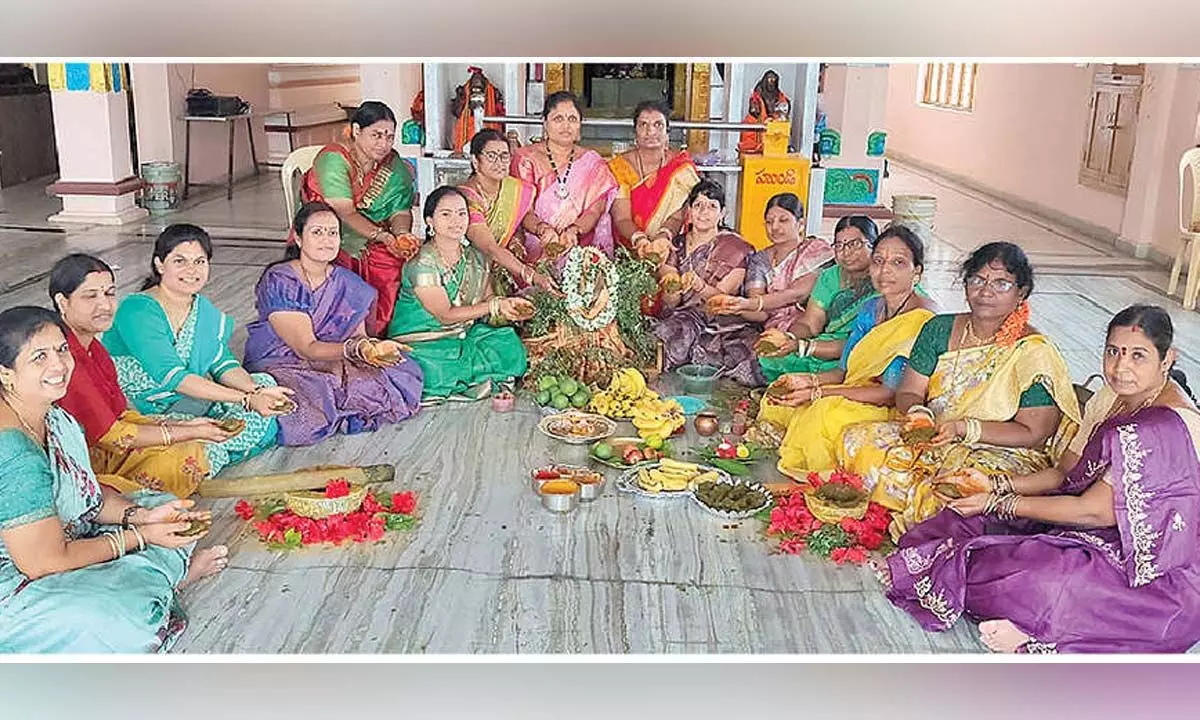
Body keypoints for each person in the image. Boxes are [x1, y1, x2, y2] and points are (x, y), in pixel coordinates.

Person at [882, 305, 1200, 654]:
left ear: (1167, 359)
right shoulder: (1111, 397)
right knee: (970, 525)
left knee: (1049, 579)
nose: (1121, 367)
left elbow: (1095, 512)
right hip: (1087, 525)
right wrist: (994, 485)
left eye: (1138, 355)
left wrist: (999, 501)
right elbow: (1063, 473)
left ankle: (1041, 629)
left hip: (1154, 569)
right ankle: (1029, 613)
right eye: (1113, 352)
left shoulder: (1172, 425)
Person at [0, 306, 227, 653]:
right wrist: (141, 536)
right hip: (20, 575)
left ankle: (158, 581)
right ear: (6, 374)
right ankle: (169, 584)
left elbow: (86, 493)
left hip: (59, 538)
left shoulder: (54, 417)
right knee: (118, 617)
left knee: (167, 510)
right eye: (39, 357)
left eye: (62, 350)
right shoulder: (13, 451)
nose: (58, 365)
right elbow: (44, 563)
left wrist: (142, 517)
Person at [839, 242, 1081, 538]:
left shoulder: (1033, 351)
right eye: (977, 280)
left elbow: (1034, 433)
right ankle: (906, 509)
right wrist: (919, 414)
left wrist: (965, 429)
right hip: (937, 434)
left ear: (1021, 293)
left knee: (952, 491)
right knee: (856, 440)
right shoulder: (939, 329)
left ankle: (917, 516)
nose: (986, 291)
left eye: (1001, 283)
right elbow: (909, 390)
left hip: (1001, 451)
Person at [103, 225, 294, 472]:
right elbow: (172, 376)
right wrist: (246, 399)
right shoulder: (138, 310)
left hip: (191, 403)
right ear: (160, 265)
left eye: (199, 261)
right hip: (141, 412)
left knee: (265, 382)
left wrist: (257, 391)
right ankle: (207, 448)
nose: (191, 270)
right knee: (202, 452)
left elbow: (223, 363)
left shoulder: (203, 311)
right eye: (180, 261)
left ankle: (210, 443)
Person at [51, 254, 235, 498]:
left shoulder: (94, 347)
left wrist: (184, 427)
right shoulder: (62, 357)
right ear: (62, 302)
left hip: (110, 444)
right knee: (188, 456)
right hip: (74, 462)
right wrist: (187, 431)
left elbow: (122, 414)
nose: (105, 305)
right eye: (90, 296)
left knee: (195, 445)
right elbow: (112, 435)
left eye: (109, 293)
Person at [243, 203, 425, 447]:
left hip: (333, 357)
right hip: (284, 361)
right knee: (301, 408)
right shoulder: (281, 279)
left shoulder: (349, 282)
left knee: (397, 373)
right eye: (317, 232)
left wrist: (373, 349)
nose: (326, 240)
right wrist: (357, 350)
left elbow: (359, 337)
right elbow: (305, 348)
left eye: (332, 233)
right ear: (298, 238)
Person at [768, 226, 936, 475]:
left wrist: (817, 393)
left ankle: (827, 481)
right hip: (855, 390)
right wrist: (805, 381)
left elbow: (888, 393)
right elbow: (843, 372)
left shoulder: (922, 318)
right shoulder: (871, 309)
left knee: (822, 414)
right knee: (781, 395)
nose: (885, 271)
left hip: (888, 406)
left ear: (917, 272)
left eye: (898, 262)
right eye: (878, 261)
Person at [386, 187, 531, 404]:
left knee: (509, 344)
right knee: (429, 370)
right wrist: (495, 306)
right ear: (430, 221)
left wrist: (507, 307)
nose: (456, 221)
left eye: (462, 213)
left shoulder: (476, 258)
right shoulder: (422, 264)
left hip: (463, 334)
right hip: (424, 341)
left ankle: (469, 378)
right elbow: (444, 315)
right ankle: (463, 380)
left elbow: (488, 298)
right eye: (446, 214)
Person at [301, 101, 419, 336]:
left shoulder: (393, 166)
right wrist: (383, 236)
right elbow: (345, 212)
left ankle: (383, 333)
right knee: (378, 266)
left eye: (389, 137)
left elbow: (400, 210)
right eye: (376, 135)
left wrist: (401, 234)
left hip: (374, 235)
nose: (384, 144)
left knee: (400, 261)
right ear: (356, 131)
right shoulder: (334, 159)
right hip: (333, 234)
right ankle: (353, 333)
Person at [652, 180, 762, 386]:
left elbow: (721, 298)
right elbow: (670, 303)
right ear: (689, 211)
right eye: (698, 205)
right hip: (683, 318)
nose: (704, 212)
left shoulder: (736, 248)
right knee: (665, 335)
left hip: (723, 321)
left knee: (749, 353)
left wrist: (699, 286)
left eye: (712, 206)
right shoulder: (675, 246)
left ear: (722, 213)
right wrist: (673, 285)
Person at [756, 215, 880, 384]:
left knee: (856, 367)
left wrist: (804, 347)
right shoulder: (830, 276)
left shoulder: (884, 280)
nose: (846, 252)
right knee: (772, 359)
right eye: (839, 245)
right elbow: (810, 324)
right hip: (826, 345)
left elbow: (868, 342)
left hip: (862, 349)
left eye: (855, 244)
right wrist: (789, 338)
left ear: (874, 245)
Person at [510, 91, 618, 260]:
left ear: (580, 125)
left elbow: (595, 210)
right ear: (545, 123)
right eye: (558, 119)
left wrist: (574, 230)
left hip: (579, 248)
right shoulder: (526, 159)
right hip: (535, 245)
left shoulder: (593, 163)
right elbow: (522, 210)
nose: (566, 126)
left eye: (572, 119)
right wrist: (542, 229)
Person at [458, 129, 555, 294]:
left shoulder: (515, 188)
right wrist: (531, 275)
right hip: (469, 274)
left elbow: (524, 216)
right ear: (475, 160)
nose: (499, 162)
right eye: (491, 156)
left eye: (504, 156)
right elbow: (490, 248)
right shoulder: (468, 197)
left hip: (503, 269)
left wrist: (541, 228)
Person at [720, 193, 834, 332]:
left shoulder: (816, 251)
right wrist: (734, 306)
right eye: (769, 222)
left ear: (801, 224)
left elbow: (798, 294)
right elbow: (761, 313)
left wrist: (748, 303)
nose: (774, 227)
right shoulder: (760, 260)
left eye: (783, 220)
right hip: (774, 330)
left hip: (814, 327)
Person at [608, 100, 701, 256]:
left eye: (658, 125)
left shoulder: (681, 168)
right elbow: (621, 218)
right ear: (635, 132)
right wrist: (639, 240)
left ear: (667, 133)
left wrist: (663, 236)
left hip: (669, 247)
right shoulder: (620, 167)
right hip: (629, 249)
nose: (650, 131)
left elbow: (678, 216)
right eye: (643, 125)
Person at [738, 70, 791, 155]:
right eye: (769, 80)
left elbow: (784, 110)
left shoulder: (780, 97)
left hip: (774, 128)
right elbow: (753, 112)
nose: (771, 84)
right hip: (756, 126)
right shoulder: (756, 96)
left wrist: (776, 118)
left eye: (774, 81)